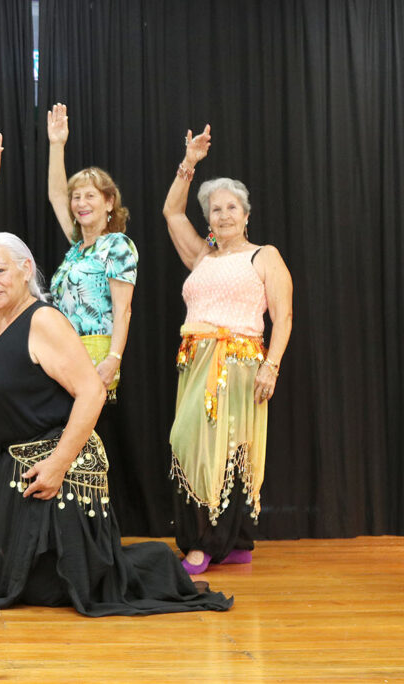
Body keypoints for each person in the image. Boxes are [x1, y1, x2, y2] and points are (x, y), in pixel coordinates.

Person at [0, 134, 232, 615]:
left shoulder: (43, 319)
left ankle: (140, 561)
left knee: (63, 587)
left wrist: (57, 465)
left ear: (26, 270)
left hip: (58, 456)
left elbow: (91, 391)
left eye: (0, 273)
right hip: (13, 448)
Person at [162, 125, 293, 574]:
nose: (222, 215)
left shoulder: (264, 256)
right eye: (215, 209)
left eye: (230, 207)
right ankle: (230, 541)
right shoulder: (201, 256)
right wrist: (190, 164)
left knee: (225, 448)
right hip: (196, 362)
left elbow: (284, 317)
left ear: (246, 214)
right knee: (194, 444)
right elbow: (170, 210)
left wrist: (270, 367)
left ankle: (207, 544)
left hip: (238, 363)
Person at [46, 103, 140, 525]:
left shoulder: (117, 245)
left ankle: (89, 528)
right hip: (62, 350)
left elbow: (124, 310)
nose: (80, 202)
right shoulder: (75, 247)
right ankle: (71, 524)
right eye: (76, 196)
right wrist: (56, 145)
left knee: (81, 440)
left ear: (108, 203)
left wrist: (113, 360)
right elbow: (53, 194)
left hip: (96, 351)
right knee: (69, 441)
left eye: (90, 195)